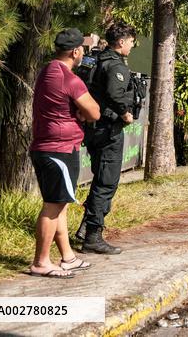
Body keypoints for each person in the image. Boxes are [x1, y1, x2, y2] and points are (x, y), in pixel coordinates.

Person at [29, 28, 101, 278]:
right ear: (76, 51)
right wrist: (81, 111)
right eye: (82, 49)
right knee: (53, 206)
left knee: (60, 204)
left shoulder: (47, 71)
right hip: (59, 149)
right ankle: (41, 262)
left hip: (45, 146)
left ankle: (67, 257)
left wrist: (74, 109)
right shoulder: (70, 79)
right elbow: (94, 112)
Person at [77, 21, 137, 255]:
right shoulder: (116, 66)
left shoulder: (95, 60)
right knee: (106, 182)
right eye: (131, 42)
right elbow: (115, 95)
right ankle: (93, 236)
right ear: (121, 42)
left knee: (101, 179)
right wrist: (125, 113)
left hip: (92, 129)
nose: (132, 46)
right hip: (108, 130)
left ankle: (85, 228)